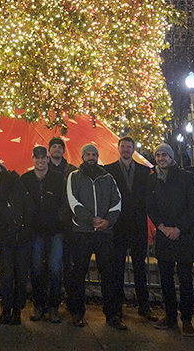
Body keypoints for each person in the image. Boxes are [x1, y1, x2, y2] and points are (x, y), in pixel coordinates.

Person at [66, 143, 124, 329]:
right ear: (82, 157)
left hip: (104, 233)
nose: (91, 157)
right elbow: (73, 201)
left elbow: (117, 201)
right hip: (82, 232)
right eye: (88, 154)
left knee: (108, 273)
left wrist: (108, 221)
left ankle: (112, 314)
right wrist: (90, 219)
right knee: (78, 273)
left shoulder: (108, 178)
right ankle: (76, 312)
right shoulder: (74, 176)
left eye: (94, 154)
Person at [148, 144, 194, 337]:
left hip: (184, 235)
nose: (161, 158)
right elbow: (150, 205)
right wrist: (162, 227)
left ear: (171, 157)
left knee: (186, 280)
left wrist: (178, 228)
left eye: (164, 155)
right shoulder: (152, 179)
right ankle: (170, 316)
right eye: (158, 155)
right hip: (165, 235)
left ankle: (187, 319)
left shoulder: (186, 177)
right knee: (166, 279)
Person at [104, 136, 157, 322]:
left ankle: (144, 306)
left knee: (140, 269)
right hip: (118, 227)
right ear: (118, 148)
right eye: (123, 146)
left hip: (138, 226)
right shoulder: (108, 170)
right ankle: (117, 306)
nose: (126, 149)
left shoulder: (145, 171)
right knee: (116, 269)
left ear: (133, 149)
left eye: (129, 147)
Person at [21, 145, 66, 323]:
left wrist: (59, 220)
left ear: (48, 159)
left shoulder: (58, 178)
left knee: (55, 269)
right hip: (35, 232)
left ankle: (54, 307)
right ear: (33, 159)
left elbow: (64, 202)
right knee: (37, 269)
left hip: (55, 231)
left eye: (43, 157)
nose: (40, 160)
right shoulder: (26, 179)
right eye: (37, 157)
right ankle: (39, 305)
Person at [0, 162, 34, 325]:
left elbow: (28, 207)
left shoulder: (16, 184)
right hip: (5, 239)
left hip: (22, 237)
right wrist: (2, 227)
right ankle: (6, 308)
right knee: (6, 276)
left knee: (21, 276)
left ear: (0, 171)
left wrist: (24, 228)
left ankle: (17, 309)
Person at [48, 136, 76, 298]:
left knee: (68, 262)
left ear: (64, 151)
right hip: (51, 223)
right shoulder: (44, 168)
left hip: (69, 222)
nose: (57, 149)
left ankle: (67, 295)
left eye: (60, 147)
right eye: (54, 147)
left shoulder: (71, 170)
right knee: (53, 263)